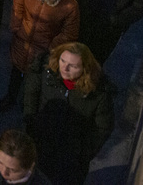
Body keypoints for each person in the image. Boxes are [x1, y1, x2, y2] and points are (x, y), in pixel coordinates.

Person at [23, 43, 114, 185]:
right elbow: (31, 93)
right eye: (62, 60)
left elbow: (103, 128)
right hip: (41, 142)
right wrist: (31, 121)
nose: (64, 68)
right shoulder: (47, 72)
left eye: (73, 66)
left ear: (85, 68)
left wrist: (83, 153)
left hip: (70, 157)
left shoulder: (98, 93)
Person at [0, 0, 79, 112]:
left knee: (33, 80)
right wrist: (17, 26)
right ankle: (11, 97)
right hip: (22, 41)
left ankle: (26, 104)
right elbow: (18, 4)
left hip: (41, 51)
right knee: (15, 72)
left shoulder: (70, 6)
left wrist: (51, 46)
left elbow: (69, 33)